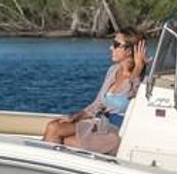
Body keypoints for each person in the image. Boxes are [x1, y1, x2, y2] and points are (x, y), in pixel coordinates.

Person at [43, 27, 147, 155]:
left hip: (116, 133)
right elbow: (98, 104)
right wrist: (76, 116)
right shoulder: (113, 71)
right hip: (101, 125)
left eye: (116, 45)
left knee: (66, 141)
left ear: (129, 50)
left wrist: (138, 68)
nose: (111, 48)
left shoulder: (142, 79)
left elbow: (131, 94)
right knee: (53, 126)